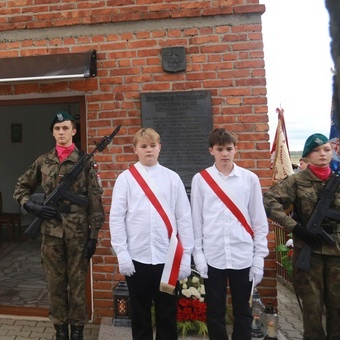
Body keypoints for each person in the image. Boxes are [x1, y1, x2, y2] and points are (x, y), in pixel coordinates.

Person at [13, 111, 104, 340]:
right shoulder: (43, 161)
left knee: (77, 284)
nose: (61, 132)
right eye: (57, 129)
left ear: (74, 131)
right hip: (51, 232)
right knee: (55, 283)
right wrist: (32, 206)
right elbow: (21, 187)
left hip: (78, 233)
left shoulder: (85, 161)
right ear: (53, 132)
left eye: (65, 128)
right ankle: (61, 330)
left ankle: (78, 331)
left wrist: (94, 236)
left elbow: (94, 201)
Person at [109, 127, 193, 340]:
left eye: (153, 146)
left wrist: (185, 258)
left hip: (167, 258)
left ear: (160, 148)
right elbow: (117, 217)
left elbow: (184, 218)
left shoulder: (172, 178)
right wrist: (122, 253)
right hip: (137, 258)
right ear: (135, 149)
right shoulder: (126, 179)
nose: (149, 150)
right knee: (140, 315)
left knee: (167, 315)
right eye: (143, 146)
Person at [190, 128, 269, 340]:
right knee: (215, 312)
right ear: (211, 151)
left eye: (228, 149)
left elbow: (259, 220)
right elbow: (196, 220)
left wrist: (259, 257)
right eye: (220, 149)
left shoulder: (249, 179)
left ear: (236, 149)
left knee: (243, 312)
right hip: (213, 255)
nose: (225, 153)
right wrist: (198, 255)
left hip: (242, 255)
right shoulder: (201, 179)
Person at [264, 133, 339, 339]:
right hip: (309, 253)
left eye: (326, 149)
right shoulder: (297, 181)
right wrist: (296, 228)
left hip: (337, 254)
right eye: (316, 150)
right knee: (312, 310)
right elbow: (269, 201)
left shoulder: (337, 180)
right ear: (306, 156)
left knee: (338, 309)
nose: (322, 154)